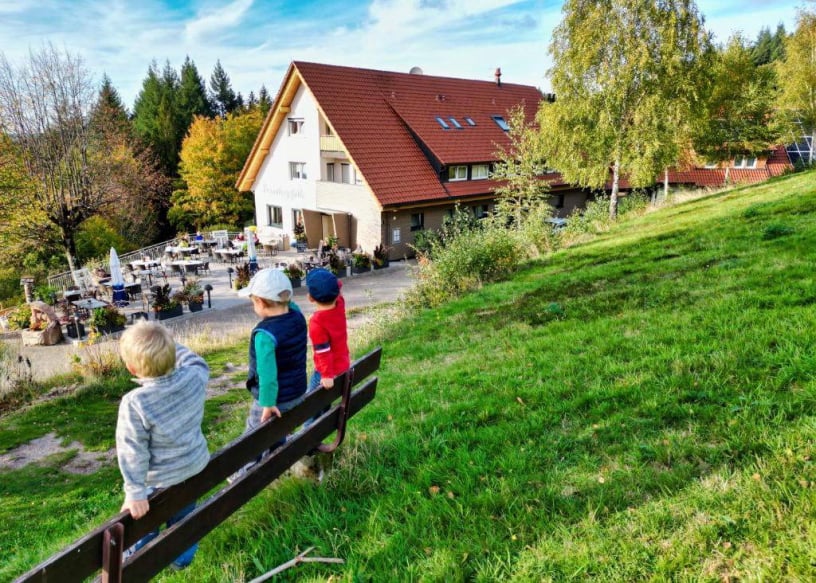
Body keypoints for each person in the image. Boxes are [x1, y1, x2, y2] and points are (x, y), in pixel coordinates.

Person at [116, 320, 210, 571]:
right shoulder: (193, 377)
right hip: (193, 467)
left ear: (132, 368)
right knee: (184, 518)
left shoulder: (135, 402)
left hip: (159, 480)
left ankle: (138, 557)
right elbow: (198, 361)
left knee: (144, 523)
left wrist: (135, 491)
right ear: (173, 355)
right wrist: (168, 346)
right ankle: (181, 558)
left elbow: (132, 451)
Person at [229, 269, 308, 482]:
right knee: (278, 428)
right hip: (297, 392)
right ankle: (276, 456)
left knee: (252, 439)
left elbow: (267, 375)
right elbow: (289, 304)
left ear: (261, 302)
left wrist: (268, 403)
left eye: (253, 302)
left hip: (275, 400)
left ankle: (241, 477)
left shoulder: (264, 335)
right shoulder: (297, 316)